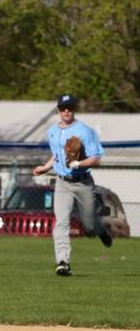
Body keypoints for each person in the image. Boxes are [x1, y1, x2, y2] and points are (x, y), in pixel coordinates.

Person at [33, 94, 111, 276]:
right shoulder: (52, 131)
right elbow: (58, 154)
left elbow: (96, 159)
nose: (66, 111)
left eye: (69, 108)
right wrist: (45, 167)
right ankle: (63, 262)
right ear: (58, 110)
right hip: (62, 183)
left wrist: (79, 164)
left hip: (83, 182)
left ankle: (101, 230)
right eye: (63, 108)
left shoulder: (85, 131)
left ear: (74, 109)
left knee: (89, 225)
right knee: (61, 223)